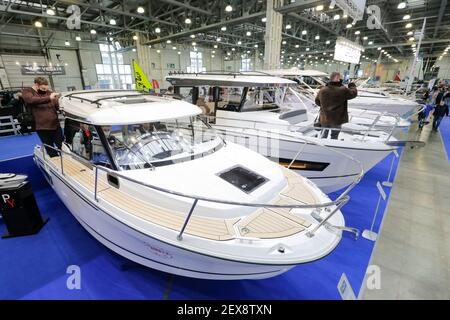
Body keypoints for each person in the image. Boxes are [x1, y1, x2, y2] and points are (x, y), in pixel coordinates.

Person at [21, 77, 61, 157]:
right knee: (49, 147)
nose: (45, 90)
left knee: (62, 145)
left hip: (55, 124)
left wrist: (60, 104)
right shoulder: (27, 91)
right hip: (41, 126)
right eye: (43, 88)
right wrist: (49, 98)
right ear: (36, 85)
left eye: (46, 88)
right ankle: (55, 160)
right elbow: (31, 100)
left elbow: (56, 105)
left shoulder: (49, 92)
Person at [314, 71, 358, 139]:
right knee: (334, 136)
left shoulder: (322, 90)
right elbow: (353, 93)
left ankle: (322, 147)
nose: (341, 79)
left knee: (323, 135)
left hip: (324, 117)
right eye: (340, 77)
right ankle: (332, 148)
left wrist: (326, 106)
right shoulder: (342, 90)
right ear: (337, 78)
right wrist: (352, 85)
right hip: (337, 119)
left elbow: (317, 102)